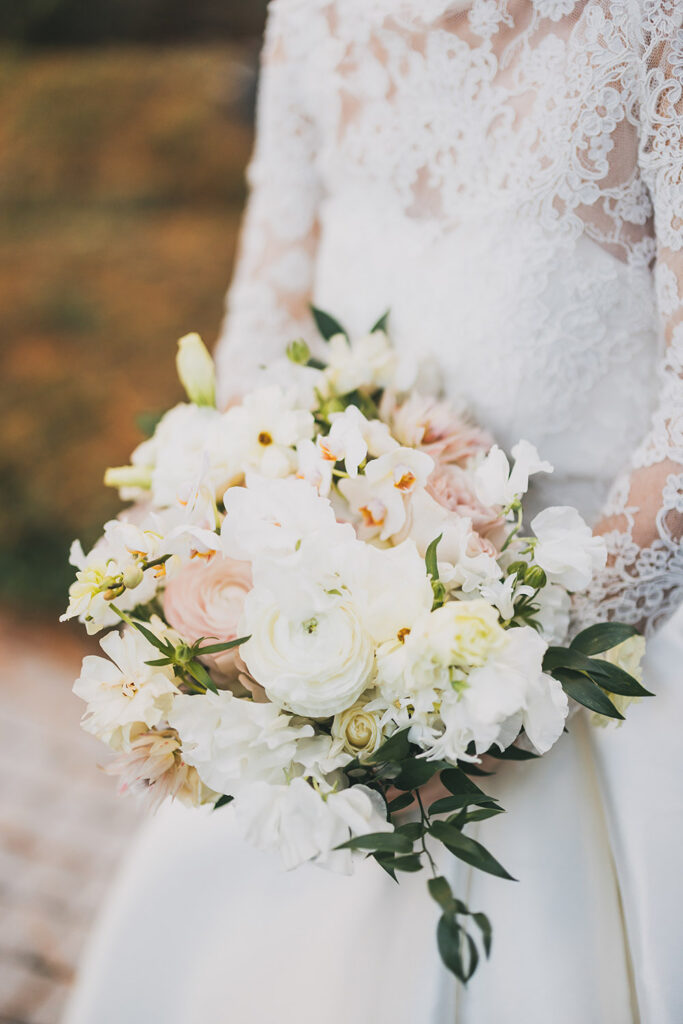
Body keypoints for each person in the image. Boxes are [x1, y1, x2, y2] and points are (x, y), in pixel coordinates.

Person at [65, 2, 683, 1021]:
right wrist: (211, 579)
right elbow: (267, 325)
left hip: (606, 620)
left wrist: (500, 662)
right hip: (337, 613)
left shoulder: (651, 24)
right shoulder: (314, 20)